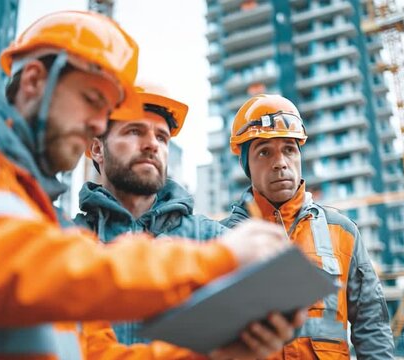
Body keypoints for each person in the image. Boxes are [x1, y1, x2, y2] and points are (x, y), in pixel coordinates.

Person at [0, 12, 290, 359]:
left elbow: (99, 354)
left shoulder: (45, 222)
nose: (98, 123)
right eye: (93, 100)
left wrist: (213, 353)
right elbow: (4, 267)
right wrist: (215, 260)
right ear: (35, 80)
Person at [77, 85, 306, 359]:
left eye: (162, 137)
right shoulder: (70, 240)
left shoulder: (213, 238)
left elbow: (278, 309)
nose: (152, 144)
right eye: (134, 131)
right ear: (97, 149)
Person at [221, 94, 395, 359]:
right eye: (264, 152)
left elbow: (372, 324)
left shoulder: (343, 232)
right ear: (247, 165)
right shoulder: (224, 240)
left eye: (289, 149)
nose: (280, 162)